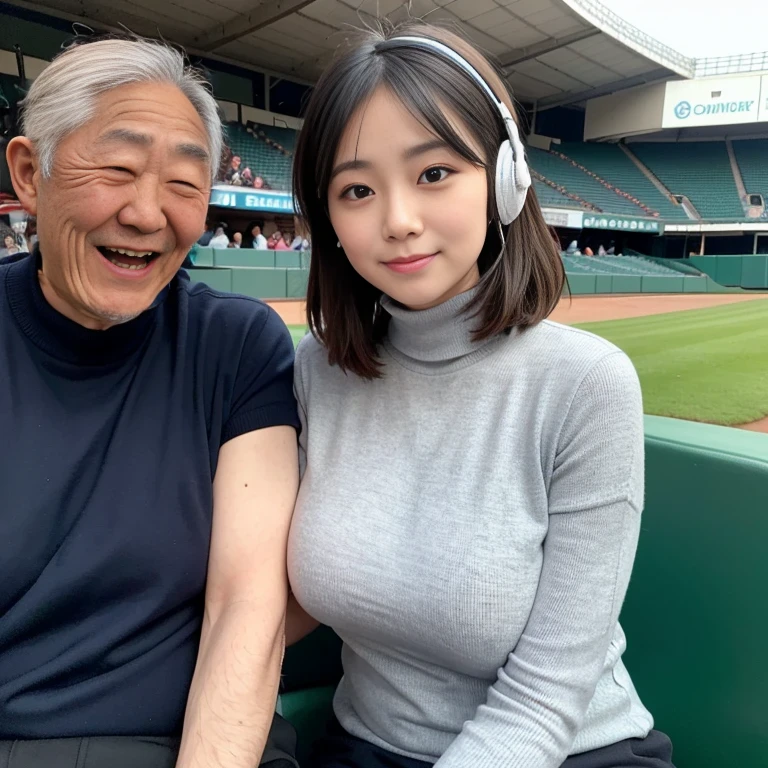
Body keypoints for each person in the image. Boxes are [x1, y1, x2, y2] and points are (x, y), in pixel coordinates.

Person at [286, 22, 675, 768]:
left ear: (506, 179)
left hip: (561, 750)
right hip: (362, 748)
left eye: (434, 174)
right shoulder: (317, 372)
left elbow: (545, 697)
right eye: (358, 189)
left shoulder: (586, 384)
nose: (398, 221)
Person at [1, 34, 300, 768]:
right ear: (29, 174)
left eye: (182, 185)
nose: (145, 213)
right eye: (118, 169)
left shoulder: (238, 347)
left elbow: (246, 610)